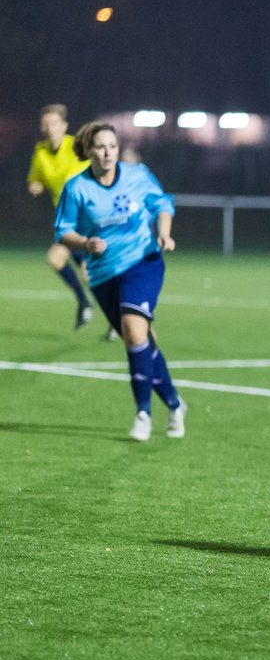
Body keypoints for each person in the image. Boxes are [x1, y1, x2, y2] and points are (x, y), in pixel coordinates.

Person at [54, 121, 186, 442]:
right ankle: (174, 403)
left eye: (112, 145)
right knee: (140, 340)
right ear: (88, 151)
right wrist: (85, 243)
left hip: (143, 262)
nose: (108, 152)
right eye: (100, 146)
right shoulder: (77, 189)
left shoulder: (137, 175)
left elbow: (163, 203)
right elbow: (62, 231)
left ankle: (143, 413)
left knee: (132, 329)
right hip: (102, 274)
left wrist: (164, 233)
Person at [27, 104, 93, 329]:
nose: (49, 128)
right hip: (65, 221)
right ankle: (85, 303)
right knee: (57, 260)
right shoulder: (40, 151)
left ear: (64, 126)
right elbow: (35, 177)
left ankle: (117, 316)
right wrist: (35, 185)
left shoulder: (76, 148)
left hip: (86, 219)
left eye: (54, 123)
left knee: (88, 274)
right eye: (45, 124)